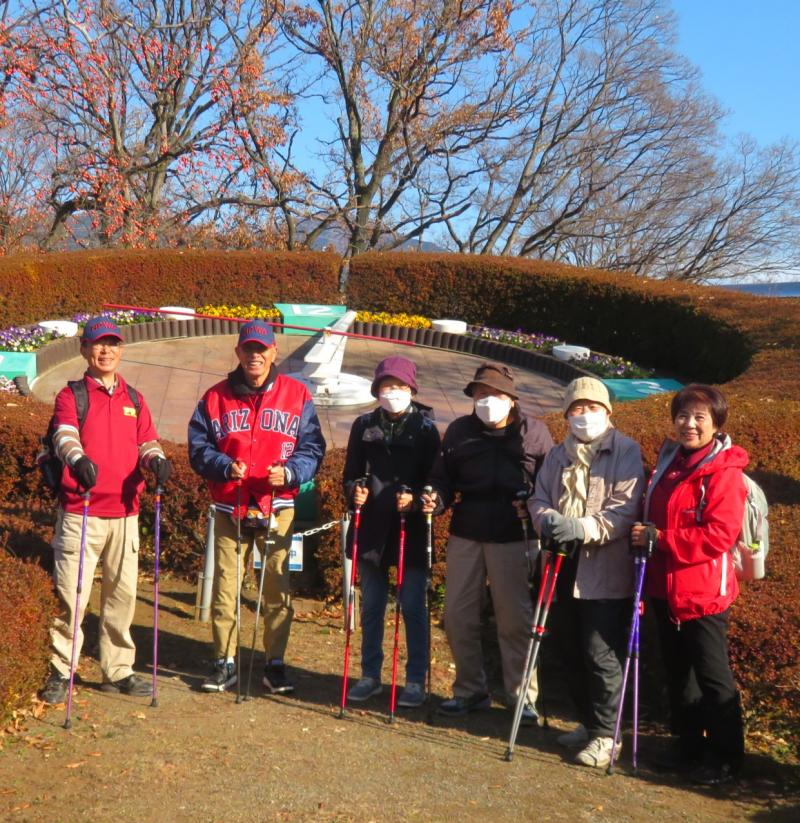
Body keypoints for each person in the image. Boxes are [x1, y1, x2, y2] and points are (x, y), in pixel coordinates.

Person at [188, 319, 326, 694]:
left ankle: (275, 664)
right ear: (238, 352)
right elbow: (198, 448)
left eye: (262, 349)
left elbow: (313, 448)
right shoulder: (215, 398)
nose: (255, 355)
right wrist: (223, 466)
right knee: (225, 587)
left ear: (273, 353)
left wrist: (292, 472)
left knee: (277, 587)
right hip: (229, 505)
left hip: (277, 506)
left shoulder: (297, 396)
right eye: (248, 349)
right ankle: (225, 661)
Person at [40, 316, 172, 704]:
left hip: (126, 515)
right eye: (99, 344)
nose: (106, 350)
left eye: (113, 344)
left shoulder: (135, 398)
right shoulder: (72, 395)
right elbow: (64, 435)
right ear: (85, 350)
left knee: (121, 597)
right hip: (82, 513)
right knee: (72, 597)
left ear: (121, 350)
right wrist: (78, 460)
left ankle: (118, 671)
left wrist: (157, 460)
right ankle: (62, 672)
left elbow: (147, 440)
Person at [631, 384, 747, 785]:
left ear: (716, 424)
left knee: (713, 675)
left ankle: (727, 756)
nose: (689, 424)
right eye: (683, 416)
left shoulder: (724, 471)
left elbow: (719, 535)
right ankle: (689, 747)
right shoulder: (669, 461)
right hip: (664, 587)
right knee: (679, 672)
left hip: (703, 592)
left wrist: (661, 539)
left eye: (700, 417)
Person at [425, 362, 553, 720]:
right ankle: (470, 690)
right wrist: (435, 498)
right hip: (467, 532)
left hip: (515, 536)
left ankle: (521, 697)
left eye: (494, 395)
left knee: (514, 621)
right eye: (480, 395)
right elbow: (442, 479)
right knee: (457, 616)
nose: (486, 402)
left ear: (511, 400)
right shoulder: (460, 431)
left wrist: (533, 503)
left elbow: (550, 484)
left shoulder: (535, 433)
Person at [529, 376, 644, 769]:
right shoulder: (558, 454)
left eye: (592, 408)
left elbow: (625, 509)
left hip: (604, 568)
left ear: (607, 412)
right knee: (569, 648)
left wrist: (582, 528)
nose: (584, 415)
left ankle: (607, 735)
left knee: (600, 654)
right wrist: (548, 522)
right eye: (576, 409)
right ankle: (587, 722)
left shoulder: (626, 450)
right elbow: (539, 497)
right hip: (561, 562)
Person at [342, 356, 441, 708]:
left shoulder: (427, 429)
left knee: (412, 605)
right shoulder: (363, 425)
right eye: (386, 387)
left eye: (399, 387)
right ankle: (370, 675)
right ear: (377, 390)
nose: (392, 393)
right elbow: (350, 473)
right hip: (371, 526)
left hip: (408, 529)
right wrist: (355, 490)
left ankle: (414, 680)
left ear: (411, 389)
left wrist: (418, 500)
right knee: (370, 607)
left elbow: (435, 481)